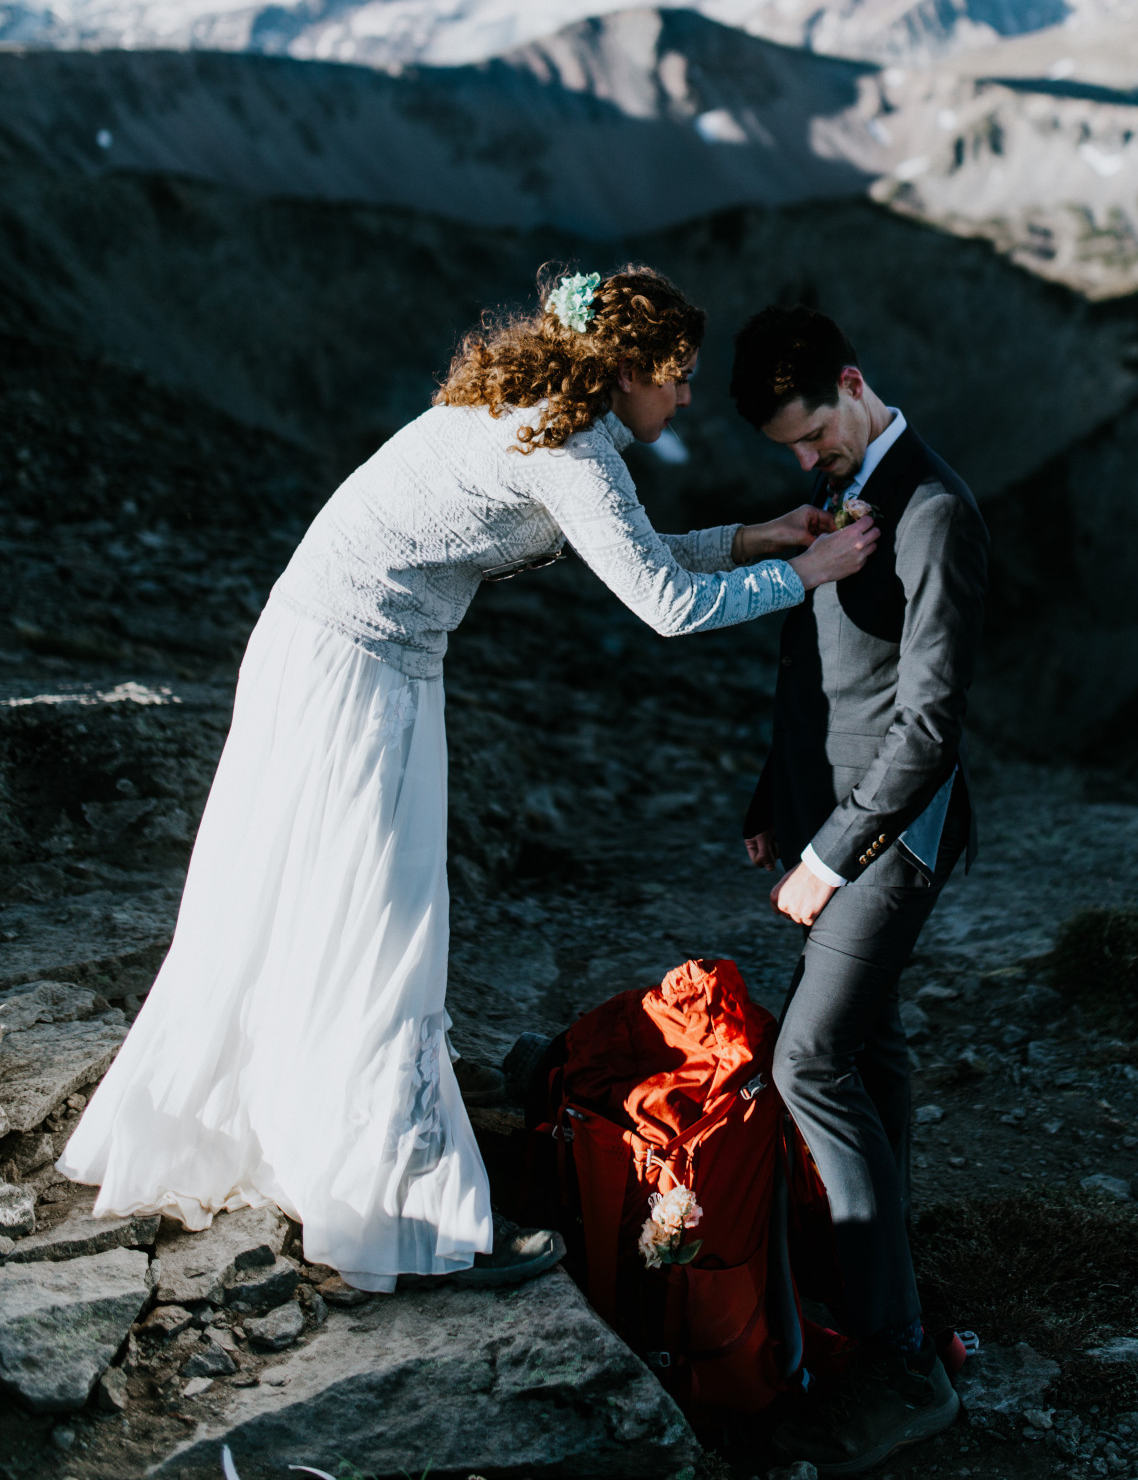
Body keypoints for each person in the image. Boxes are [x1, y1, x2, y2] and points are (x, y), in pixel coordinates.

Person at [60, 266, 878, 1295]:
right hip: (362, 678)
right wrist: (807, 572)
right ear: (625, 369)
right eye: (673, 379)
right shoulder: (571, 449)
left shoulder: (525, 409)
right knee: (388, 930)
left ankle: (317, 1144)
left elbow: (623, 551)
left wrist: (751, 539)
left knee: (302, 913)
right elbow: (663, 605)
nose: (680, 402)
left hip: (323, 652)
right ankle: (398, 1208)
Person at [729, 303, 989, 1474]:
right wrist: (766, 799)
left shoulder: (934, 509)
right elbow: (811, 657)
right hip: (825, 815)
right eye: (787, 448)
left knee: (809, 1060)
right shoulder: (839, 493)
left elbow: (929, 722)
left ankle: (898, 1361)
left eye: (811, 435)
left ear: (851, 380)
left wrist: (827, 855)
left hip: (892, 833)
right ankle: (882, 1275)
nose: (804, 462)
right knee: (868, 1049)